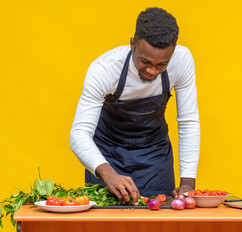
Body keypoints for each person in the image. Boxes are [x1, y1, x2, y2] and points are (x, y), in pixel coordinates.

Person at [70, 7, 200, 205]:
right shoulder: (104, 69)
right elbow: (79, 133)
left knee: (158, 230)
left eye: (162, 65)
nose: (152, 70)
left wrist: (188, 183)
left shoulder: (182, 61)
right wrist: (107, 173)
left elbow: (188, 122)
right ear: (133, 44)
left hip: (155, 156)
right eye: (145, 61)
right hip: (106, 153)